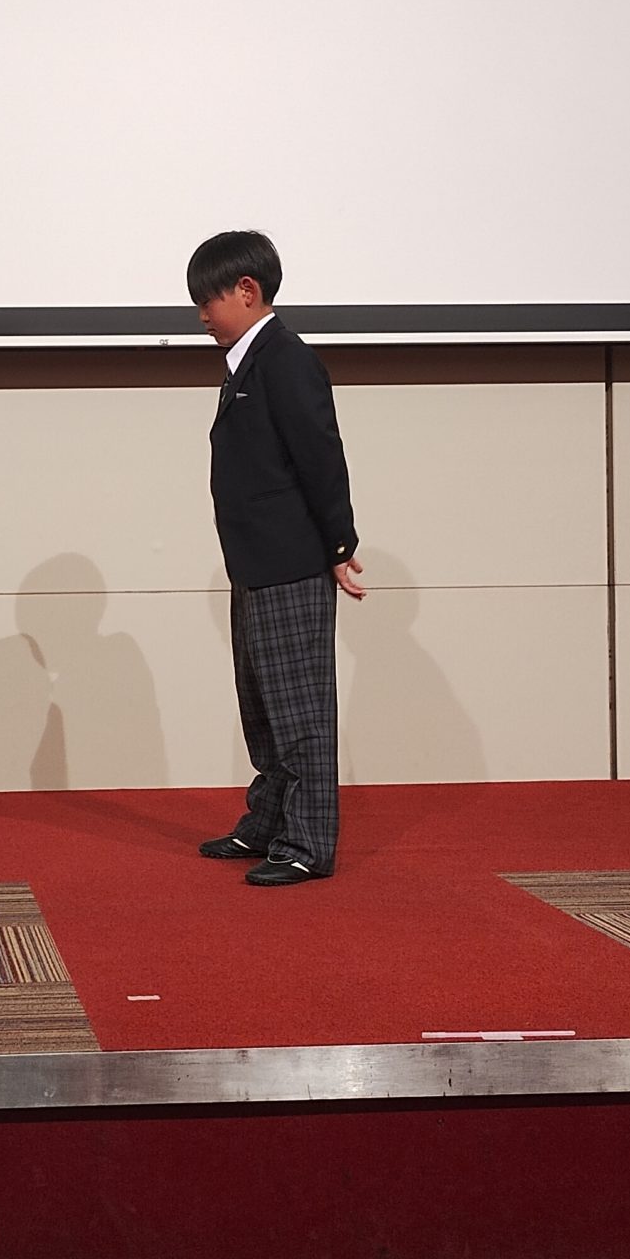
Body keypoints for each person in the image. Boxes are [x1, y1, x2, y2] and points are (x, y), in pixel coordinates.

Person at [189, 230, 363, 886]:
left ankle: (307, 843)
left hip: (290, 561)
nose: (202, 316)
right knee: (262, 706)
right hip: (255, 563)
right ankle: (268, 822)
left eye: (207, 301)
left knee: (300, 712)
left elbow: (321, 455)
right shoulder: (246, 364)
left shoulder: (286, 360)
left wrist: (340, 545)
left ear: (247, 290)